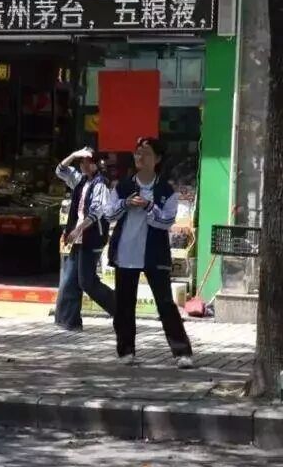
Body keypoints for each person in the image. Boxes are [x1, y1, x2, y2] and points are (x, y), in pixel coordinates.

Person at [105, 136, 194, 368]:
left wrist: (148, 206)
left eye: (145, 154)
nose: (140, 157)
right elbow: (109, 214)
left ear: (157, 159)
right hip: (126, 252)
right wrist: (125, 203)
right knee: (124, 305)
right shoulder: (123, 186)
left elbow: (166, 221)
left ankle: (182, 352)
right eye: (137, 153)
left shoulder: (166, 190)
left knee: (165, 303)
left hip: (154, 254)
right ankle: (126, 351)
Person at [54, 146, 116, 331]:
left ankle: (120, 309)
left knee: (86, 281)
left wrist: (78, 230)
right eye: (81, 162)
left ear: (96, 164)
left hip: (92, 237)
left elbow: (96, 212)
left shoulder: (100, 184)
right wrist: (73, 154)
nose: (83, 165)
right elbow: (60, 170)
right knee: (70, 279)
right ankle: (68, 321)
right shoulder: (80, 180)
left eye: (87, 161)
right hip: (78, 237)